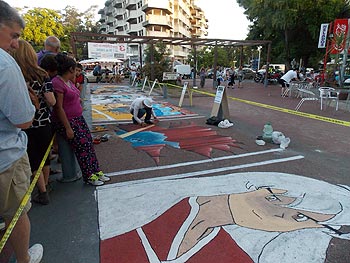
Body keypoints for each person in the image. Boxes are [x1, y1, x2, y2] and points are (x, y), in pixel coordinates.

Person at [99, 172, 350, 263]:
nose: (280, 214)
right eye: (277, 199)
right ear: (259, 187)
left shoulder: (237, 255)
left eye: (299, 218)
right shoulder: (141, 205)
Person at [0, 1, 43, 262]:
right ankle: (23, 259)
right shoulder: (4, 64)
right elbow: (23, 119)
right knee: (16, 213)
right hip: (5, 157)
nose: (15, 43)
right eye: (14, 34)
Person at [51, 53, 110, 186]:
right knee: (81, 147)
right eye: (76, 70)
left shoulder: (69, 82)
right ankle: (89, 175)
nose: (78, 73)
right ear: (70, 69)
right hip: (69, 121)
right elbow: (58, 107)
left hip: (78, 118)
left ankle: (96, 171)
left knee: (88, 143)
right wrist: (67, 127)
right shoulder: (57, 83)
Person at [10, 39, 56, 205]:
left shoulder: (15, 76)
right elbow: (52, 101)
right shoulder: (42, 75)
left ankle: (42, 190)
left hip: (24, 125)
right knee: (45, 155)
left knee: (34, 158)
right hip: (44, 121)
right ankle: (45, 185)